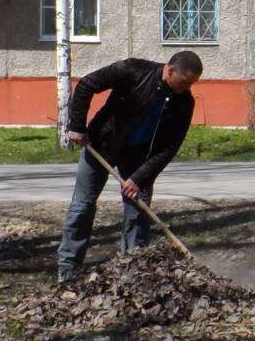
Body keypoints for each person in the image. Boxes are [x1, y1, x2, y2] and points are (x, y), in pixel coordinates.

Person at [57, 51, 204, 283]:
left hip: (140, 157)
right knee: (82, 206)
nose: (187, 88)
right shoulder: (133, 70)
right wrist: (77, 125)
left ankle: (133, 270)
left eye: (192, 84)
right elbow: (86, 85)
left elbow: (170, 146)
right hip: (102, 143)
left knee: (138, 210)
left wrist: (139, 177)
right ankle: (68, 269)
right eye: (185, 82)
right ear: (171, 69)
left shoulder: (185, 102)